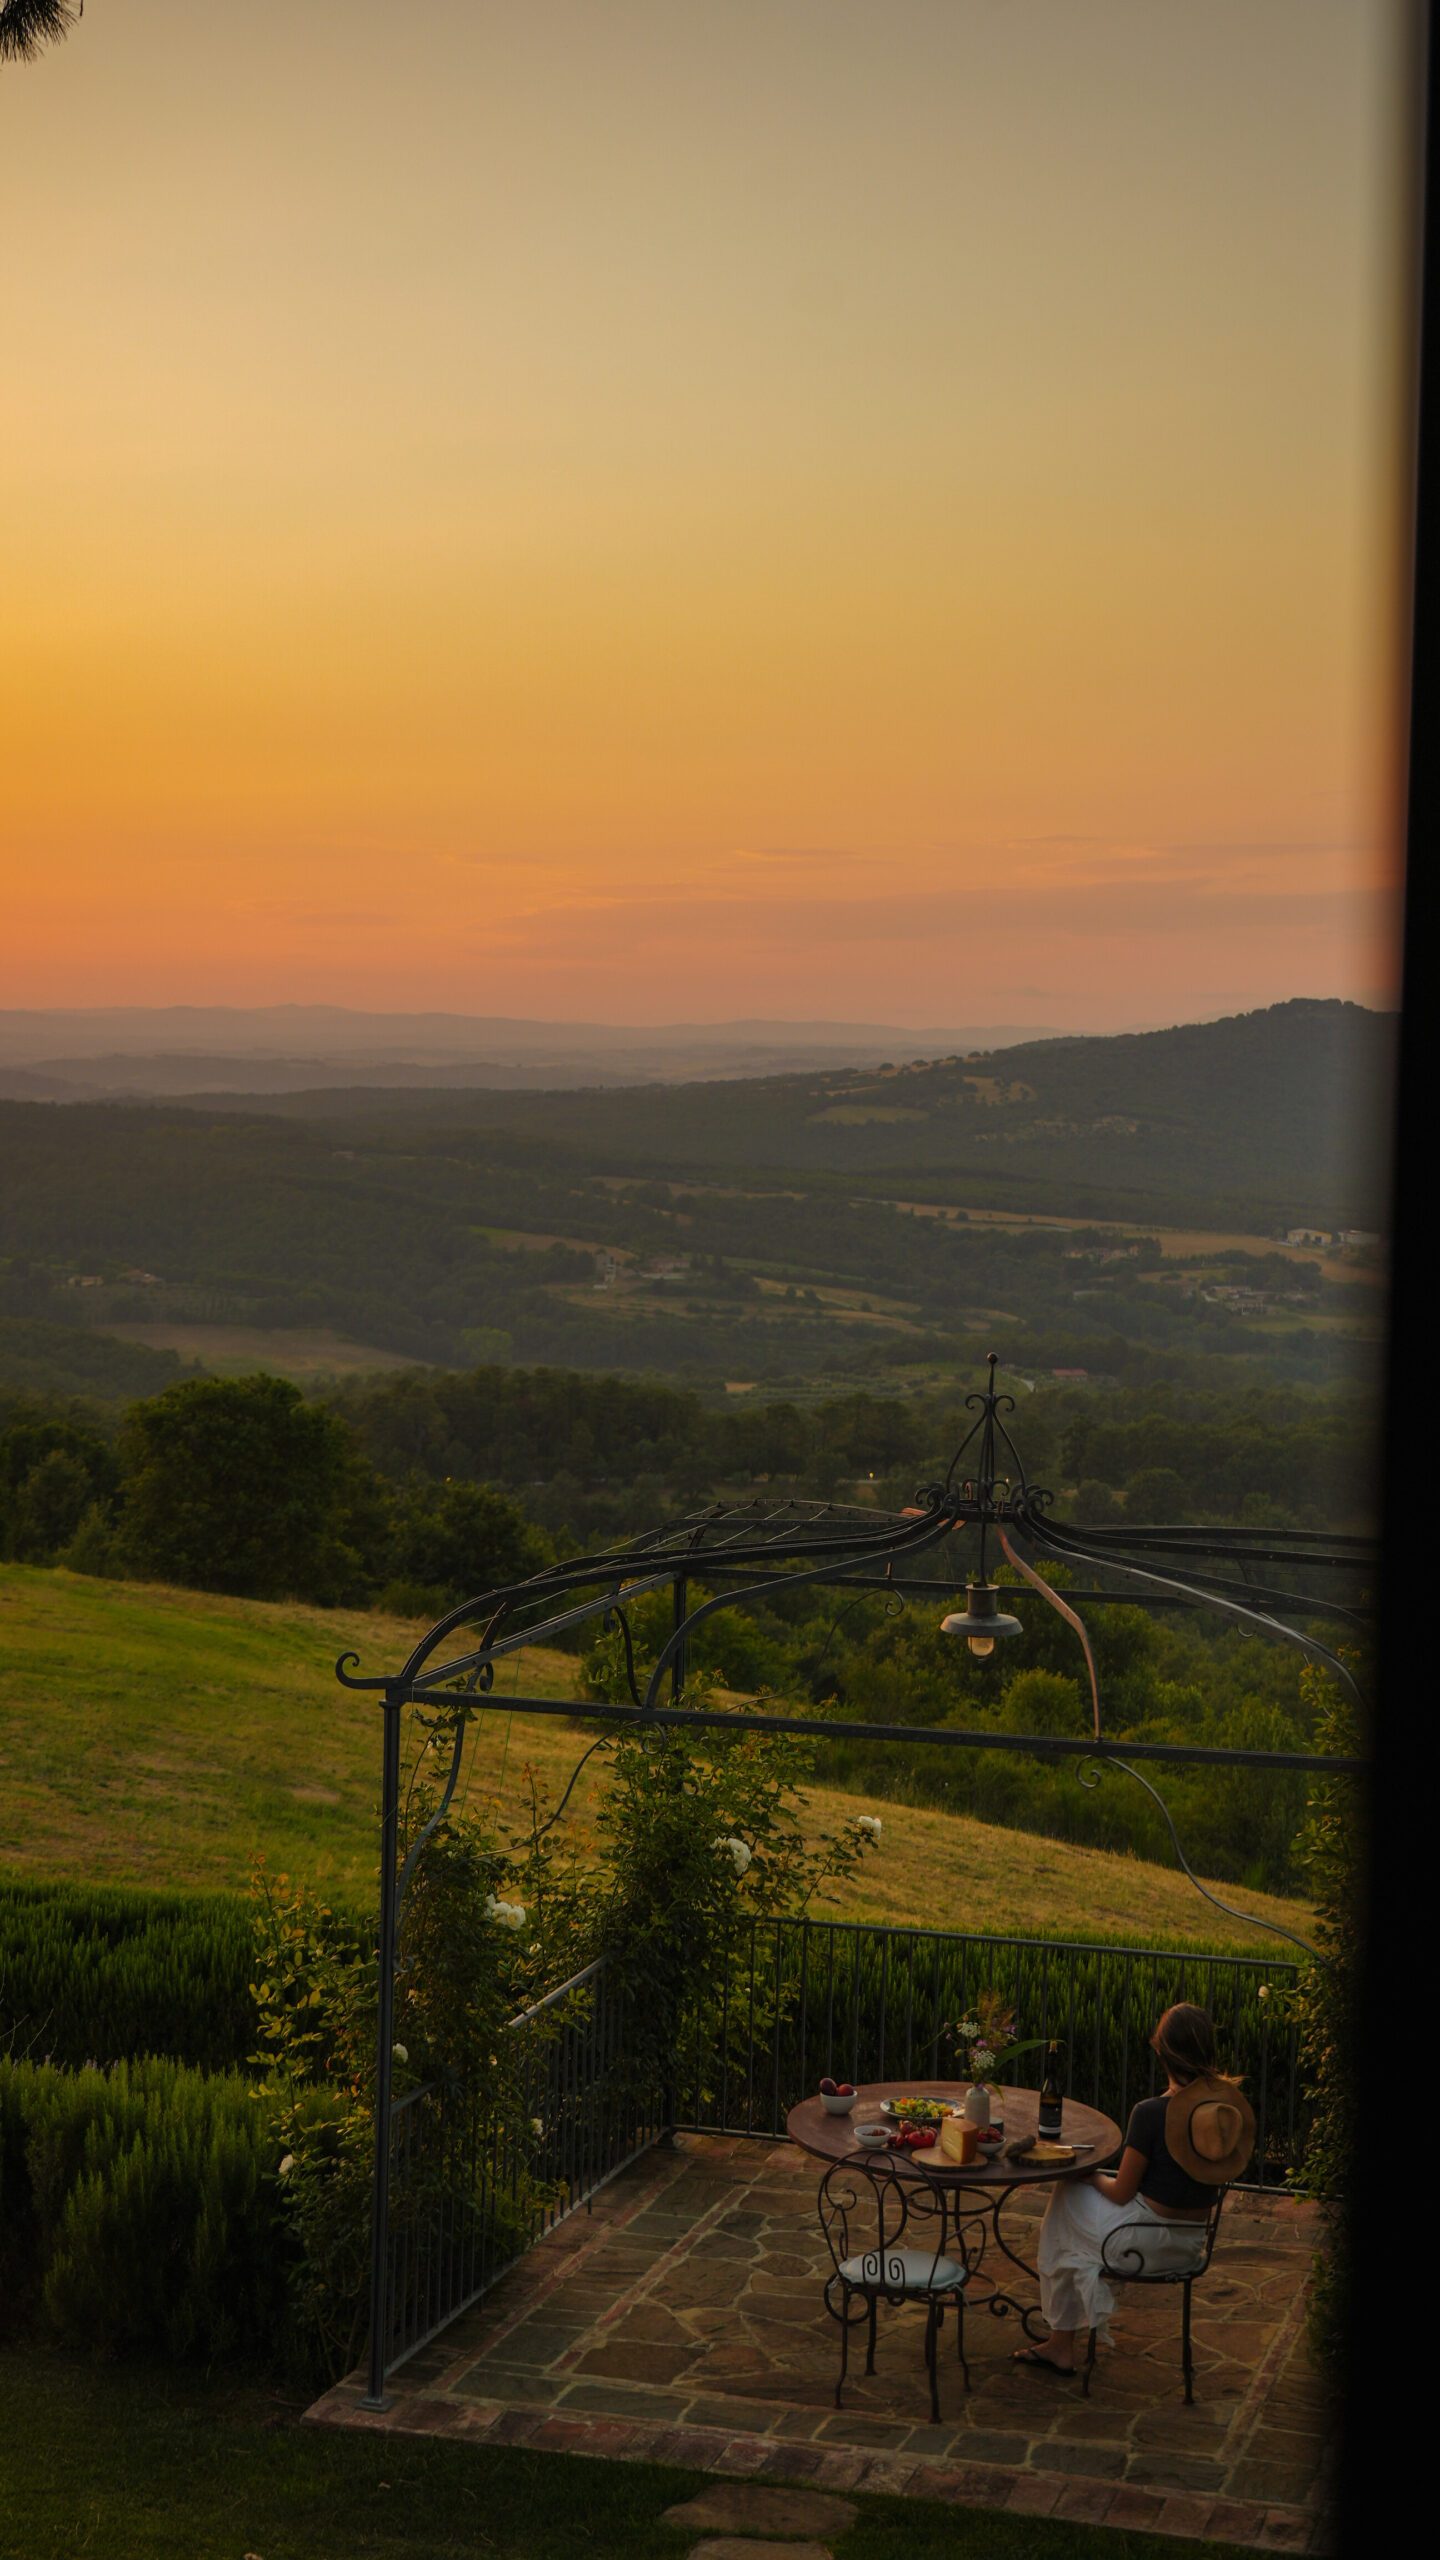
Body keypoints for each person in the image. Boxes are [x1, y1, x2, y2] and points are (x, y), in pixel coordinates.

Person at [1012, 2002, 1256, 2377]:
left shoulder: (1152, 2112)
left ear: (1161, 2050)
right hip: (1190, 2245)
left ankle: (1062, 2343)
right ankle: (1066, 2332)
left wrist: (1090, 2175)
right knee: (1073, 2219)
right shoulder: (1222, 2113)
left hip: (1142, 2242)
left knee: (1066, 2200)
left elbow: (1121, 2192)